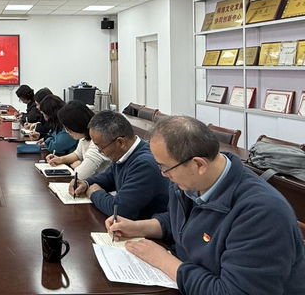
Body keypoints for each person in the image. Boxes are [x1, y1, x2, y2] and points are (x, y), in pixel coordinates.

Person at [107, 116, 305, 295]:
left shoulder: (262, 213)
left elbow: (232, 291)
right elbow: (184, 221)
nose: (163, 174)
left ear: (199, 165)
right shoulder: (187, 182)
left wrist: (162, 260)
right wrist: (138, 227)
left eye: (165, 167)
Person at [70, 110, 169, 219]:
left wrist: (94, 193)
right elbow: (109, 177)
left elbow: (120, 210)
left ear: (120, 142)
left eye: (101, 147)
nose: (100, 151)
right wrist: (86, 183)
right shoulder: (124, 153)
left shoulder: (145, 164)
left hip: (144, 226)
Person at [46, 100, 110, 179]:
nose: (67, 132)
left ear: (77, 125)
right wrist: (60, 159)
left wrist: (78, 165)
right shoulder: (85, 136)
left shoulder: (97, 143)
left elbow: (80, 175)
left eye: (68, 129)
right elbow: (77, 154)